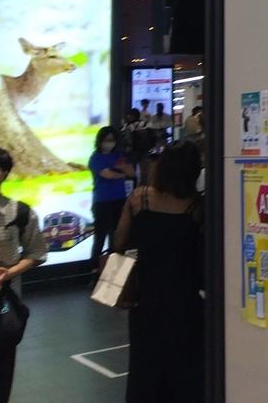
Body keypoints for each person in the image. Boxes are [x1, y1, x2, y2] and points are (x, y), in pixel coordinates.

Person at [113, 140, 204, 403]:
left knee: (144, 367)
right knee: (184, 370)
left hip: (146, 297)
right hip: (185, 299)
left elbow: (119, 243)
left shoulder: (139, 198)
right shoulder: (197, 207)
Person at [0, 148, 46, 403]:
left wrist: (10, 272)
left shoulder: (19, 213)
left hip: (2, 305)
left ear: (4, 174)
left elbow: (37, 253)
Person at [88, 126, 133, 280]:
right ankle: (95, 271)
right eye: (106, 140)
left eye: (112, 140)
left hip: (119, 200)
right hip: (101, 202)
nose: (109, 143)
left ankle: (114, 273)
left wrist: (120, 172)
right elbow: (107, 175)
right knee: (100, 237)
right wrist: (121, 173)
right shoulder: (95, 158)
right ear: (100, 141)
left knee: (117, 236)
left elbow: (131, 172)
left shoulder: (119, 155)